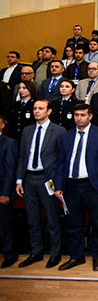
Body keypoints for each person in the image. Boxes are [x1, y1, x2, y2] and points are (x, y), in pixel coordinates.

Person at [54, 103, 98, 272]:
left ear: (90, 116)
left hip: (93, 186)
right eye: (76, 115)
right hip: (71, 185)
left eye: (82, 115)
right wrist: (58, 186)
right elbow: (60, 163)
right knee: (73, 223)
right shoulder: (65, 136)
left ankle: (97, 257)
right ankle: (76, 256)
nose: (79, 118)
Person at [15, 100, 65, 269]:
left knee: (52, 218)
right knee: (33, 219)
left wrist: (58, 183)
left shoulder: (58, 131)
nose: (36, 111)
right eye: (35, 108)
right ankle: (36, 252)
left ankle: (55, 253)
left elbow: (62, 159)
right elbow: (22, 157)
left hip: (47, 179)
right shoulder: (27, 130)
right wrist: (19, 180)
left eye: (40, 108)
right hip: (29, 179)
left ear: (49, 111)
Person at [0, 114, 18, 268]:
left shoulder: (9, 143)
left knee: (5, 226)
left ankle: (10, 254)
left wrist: (5, 192)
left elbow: (10, 170)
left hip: (2, 192)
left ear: (2, 125)